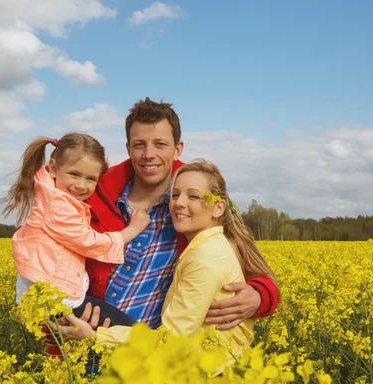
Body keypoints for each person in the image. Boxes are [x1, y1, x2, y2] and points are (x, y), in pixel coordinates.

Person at [54, 160, 275, 369]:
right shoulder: (210, 244)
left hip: (198, 369)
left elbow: (171, 340)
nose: (179, 202)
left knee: (78, 308)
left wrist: (95, 337)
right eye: (175, 195)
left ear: (218, 208)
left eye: (194, 196)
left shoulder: (206, 257)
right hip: (202, 359)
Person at [84, 98, 280, 332]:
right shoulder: (94, 195)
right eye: (139, 145)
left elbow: (254, 267)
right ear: (128, 148)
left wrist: (260, 295)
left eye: (160, 144)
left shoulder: (196, 203)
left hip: (155, 353)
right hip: (87, 341)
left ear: (178, 149)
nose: (149, 154)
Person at [1, 133, 150, 326]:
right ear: (53, 168)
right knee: (135, 332)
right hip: (56, 302)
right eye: (74, 174)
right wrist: (133, 229)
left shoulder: (52, 195)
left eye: (90, 179)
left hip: (49, 298)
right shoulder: (57, 206)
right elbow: (90, 242)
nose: (81, 185)